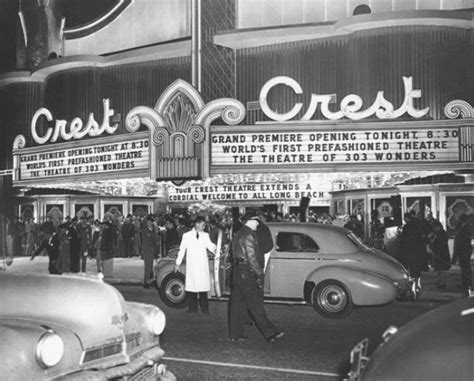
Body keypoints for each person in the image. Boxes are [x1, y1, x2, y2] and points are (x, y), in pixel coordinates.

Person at [228, 212, 284, 342]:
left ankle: (235, 334)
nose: (258, 224)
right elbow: (252, 257)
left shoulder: (239, 233)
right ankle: (270, 333)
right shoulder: (248, 235)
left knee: (237, 304)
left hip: (238, 271)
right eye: (256, 221)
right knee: (255, 303)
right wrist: (259, 273)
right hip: (246, 271)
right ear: (249, 221)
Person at [174, 216, 216, 314]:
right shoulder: (186, 235)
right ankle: (192, 309)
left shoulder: (205, 235)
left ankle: (205, 309)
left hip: (202, 266)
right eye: (203, 225)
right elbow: (182, 250)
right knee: (192, 288)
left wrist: (217, 250)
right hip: (192, 265)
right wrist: (177, 263)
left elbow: (211, 246)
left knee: (203, 289)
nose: (204, 227)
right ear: (197, 224)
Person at [398, 212, 429, 293]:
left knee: (410, 269)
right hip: (418, 251)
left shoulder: (407, 227)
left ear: (406, 218)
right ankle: (418, 285)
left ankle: (413, 288)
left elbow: (404, 240)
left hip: (409, 251)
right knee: (416, 269)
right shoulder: (417, 225)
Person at [453, 214, 473, 296]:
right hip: (465, 251)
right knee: (465, 268)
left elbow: (459, 242)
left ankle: (467, 284)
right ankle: (466, 283)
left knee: (465, 268)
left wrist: (455, 257)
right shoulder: (466, 228)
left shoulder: (465, 229)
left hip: (463, 251)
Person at [428, 221, 451, 288]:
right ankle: (440, 281)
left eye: (435, 227)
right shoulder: (438, 233)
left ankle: (442, 282)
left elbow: (441, 244)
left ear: (438, 227)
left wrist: (434, 247)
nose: (434, 229)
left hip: (441, 254)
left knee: (442, 269)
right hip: (439, 253)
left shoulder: (442, 234)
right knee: (439, 269)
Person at [142, 216, 160, 289]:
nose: (149, 223)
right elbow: (152, 238)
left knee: (151, 265)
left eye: (151, 222)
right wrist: (155, 233)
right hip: (147, 249)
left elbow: (156, 239)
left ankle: (149, 281)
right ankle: (146, 282)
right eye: (148, 222)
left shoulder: (152, 230)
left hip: (152, 248)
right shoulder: (145, 230)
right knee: (148, 266)